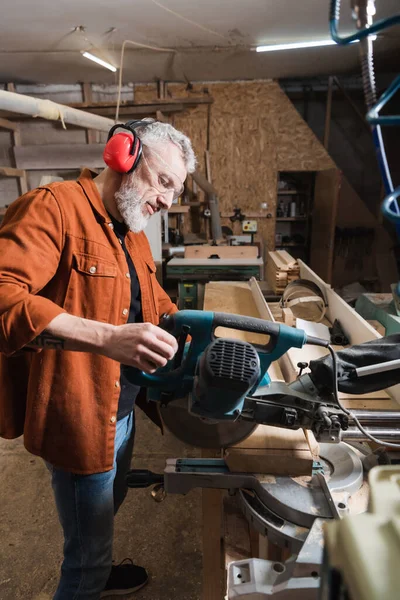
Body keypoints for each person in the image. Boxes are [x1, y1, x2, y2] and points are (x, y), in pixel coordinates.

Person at [0, 118, 196, 599]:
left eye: (176, 190)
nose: (168, 201)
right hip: (79, 414)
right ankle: (92, 574)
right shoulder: (55, 209)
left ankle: (100, 563)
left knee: (108, 506)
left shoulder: (133, 233)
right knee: (85, 559)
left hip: (123, 411)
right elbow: (3, 297)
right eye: (164, 182)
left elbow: (156, 304)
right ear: (123, 156)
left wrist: (199, 330)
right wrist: (105, 337)